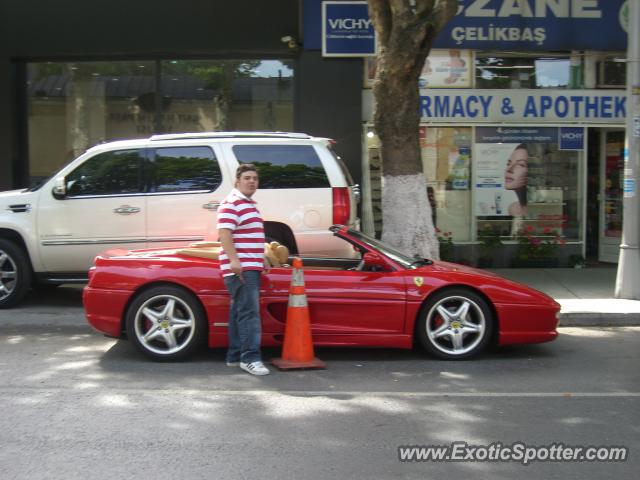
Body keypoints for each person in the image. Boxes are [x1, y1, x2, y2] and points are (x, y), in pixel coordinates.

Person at [217, 164, 270, 376]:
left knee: (239, 312)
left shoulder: (249, 204)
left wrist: (262, 258)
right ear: (237, 181)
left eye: (255, 179)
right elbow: (224, 234)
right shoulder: (232, 203)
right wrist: (234, 261)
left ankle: (235, 355)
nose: (251, 182)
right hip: (241, 268)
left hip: (250, 264)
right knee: (250, 314)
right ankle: (250, 359)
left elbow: (250, 236)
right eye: (247, 178)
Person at [504, 143, 529, 217]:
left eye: (520, 164)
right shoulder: (513, 208)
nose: (509, 169)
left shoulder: (534, 209)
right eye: (508, 163)